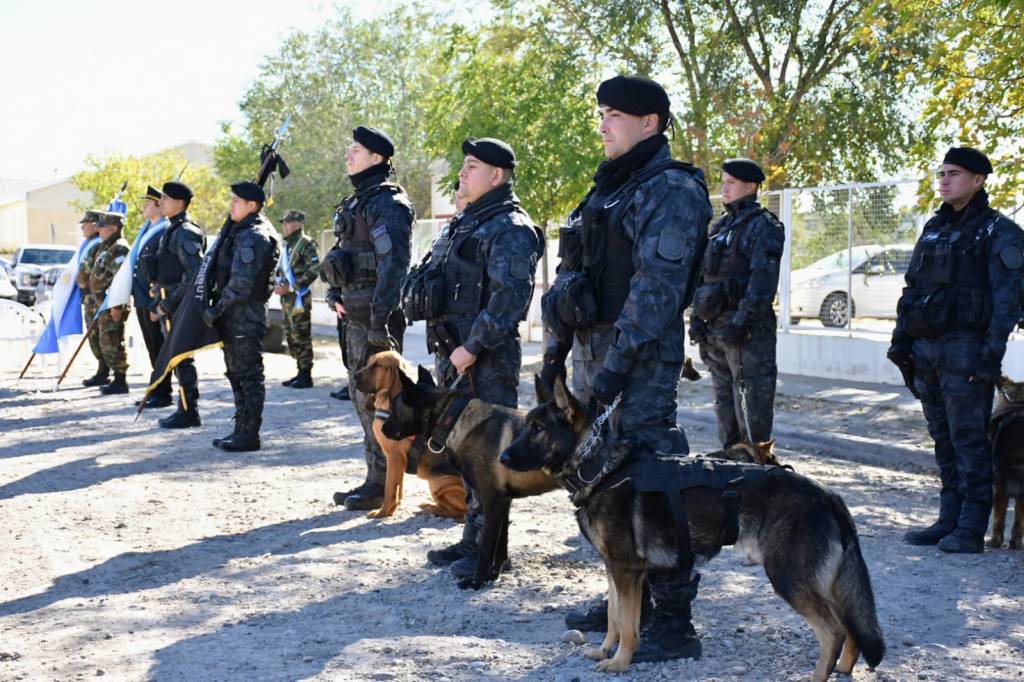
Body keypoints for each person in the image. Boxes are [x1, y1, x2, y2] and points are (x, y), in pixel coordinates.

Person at [539, 75, 712, 662]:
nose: (604, 122)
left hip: (636, 363)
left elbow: (656, 291)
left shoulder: (671, 189)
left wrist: (613, 369)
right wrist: (557, 339)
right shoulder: (606, 191)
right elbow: (572, 273)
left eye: (616, 113)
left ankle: (674, 620)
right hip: (593, 358)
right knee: (603, 487)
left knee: (654, 482)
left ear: (651, 123)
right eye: (603, 113)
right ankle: (624, 594)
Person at [403, 137, 543, 579]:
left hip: (484, 359)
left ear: (497, 176)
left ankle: (490, 551)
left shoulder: (511, 227)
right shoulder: (468, 222)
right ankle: (471, 537)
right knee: (464, 454)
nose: (462, 174)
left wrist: (472, 347)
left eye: (472, 166)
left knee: (487, 457)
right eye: (463, 165)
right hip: (454, 354)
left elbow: (509, 298)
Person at [888, 146, 1024, 554]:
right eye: (942, 173)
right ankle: (950, 517)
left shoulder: (1000, 232)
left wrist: (989, 357)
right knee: (943, 439)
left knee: (969, 439)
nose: (944, 180)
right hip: (927, 350)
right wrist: (901, 342)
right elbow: (913, 289)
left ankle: (971, 526)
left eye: (954, 173)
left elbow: (1006, 303)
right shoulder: (933, 229)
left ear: (978, 180)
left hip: (966, 350)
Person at [321, 126, 413, 510]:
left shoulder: (387, 204)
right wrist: (333, 292)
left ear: (377, 158)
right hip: (353, 315)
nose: (349, 154)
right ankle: (374, 478)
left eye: (356, 150)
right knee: (363, 398)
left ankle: (383, 483)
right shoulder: (358, 202)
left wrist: (380, 324)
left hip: (374, 319)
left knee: (379, 400)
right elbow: (344, 258)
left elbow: (393, 265)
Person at [689, 158, 785, 448]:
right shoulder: (719, 227)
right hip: (716, 332)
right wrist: (696, 318)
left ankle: (758, 476)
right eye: (724, 181)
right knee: (725, 407)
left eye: (731, 182)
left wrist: (741, 322)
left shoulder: (763, 226)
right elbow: (702, 277)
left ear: (751, 186)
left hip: (747, 335)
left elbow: (762, 283)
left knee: (751, 410)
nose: (724, 187)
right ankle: (731, 473)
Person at [202, 181, 280, 452]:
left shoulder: (255, 235)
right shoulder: (240, 231)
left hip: (244, 315)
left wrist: (216, 309)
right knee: (235, 373)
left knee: (248, 375)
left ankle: (250, 434)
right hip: (234, 315)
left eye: (236, 201)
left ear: (252, 206)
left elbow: (241, 284)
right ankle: (240, 428)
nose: (231, 205)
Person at [150, 181, 206, 428]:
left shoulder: (185, 231)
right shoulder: (173, 228)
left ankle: (189, 410)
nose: (159, 202)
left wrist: (169, 303)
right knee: (175, 357)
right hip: (168, 300)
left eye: (164, 198)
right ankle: (184, 407)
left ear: (179, 202)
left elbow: (194, 273)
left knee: (180, 356)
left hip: (178, 304)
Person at [133, 185, 172, 408]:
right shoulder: (149, 229)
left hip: (152, 300)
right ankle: (157, 388)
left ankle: (162, 392)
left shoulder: (164, 231)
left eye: (148, 203)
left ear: (159, 205)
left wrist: (155, 304)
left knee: (159, 347)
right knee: (152, 347)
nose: (143, 207)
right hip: (142, 298)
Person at [275, 209, 320, 388]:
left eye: (288, 222)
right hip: (287, 299)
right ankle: (299, 371)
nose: (284, 226)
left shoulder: (306, 244)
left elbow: (314, 270)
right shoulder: (287, 246)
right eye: (284, 223)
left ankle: (306, 374)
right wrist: (278, 284)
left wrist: (293, 286)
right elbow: (283, 270)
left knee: (301, 335)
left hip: (299, 298)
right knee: (291, 335)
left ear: (299, 223)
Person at [87, 211, 131, 394]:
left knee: (112, 341)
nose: (98, 230)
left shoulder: (119, 248)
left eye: (102, 227)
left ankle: (120, 380)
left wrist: (117, 306)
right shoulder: (106, 246)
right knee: (101, 340)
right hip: (100, 304)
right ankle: (104, 372)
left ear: (113, 228)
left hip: (111, 304)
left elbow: (120, 280)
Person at [75, 210, 107, 387]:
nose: (82, 227)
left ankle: (105, 371)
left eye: (85, 223)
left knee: (99, 334)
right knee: (94, 336)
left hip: (95, 298)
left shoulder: (97, 245)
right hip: (89, 298)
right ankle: (102, 369)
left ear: (95, 225)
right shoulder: (89, 244)